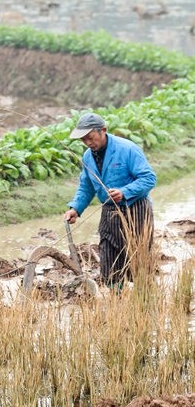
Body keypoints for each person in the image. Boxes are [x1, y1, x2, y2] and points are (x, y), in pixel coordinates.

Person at [64, 112, 156, 288]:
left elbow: (149, 178)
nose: (88, 143)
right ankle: (117, 300)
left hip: (135, 208)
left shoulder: (127, 149)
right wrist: (75, 208)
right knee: (108, 258)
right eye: (83, 140)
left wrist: (124, 192)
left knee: (139, 259)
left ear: (103, 130)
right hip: (109, 211)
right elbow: (87, 186)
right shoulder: (87, 157)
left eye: (90, 138)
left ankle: (144, 301)